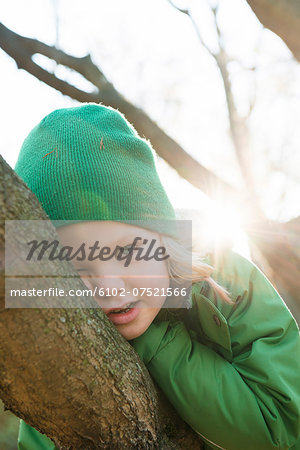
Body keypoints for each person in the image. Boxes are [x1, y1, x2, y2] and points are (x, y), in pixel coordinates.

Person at [14, 103, 300, 450]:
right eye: (77, 267)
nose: (109, 288)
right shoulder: (58, 340)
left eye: (127, 252)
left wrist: (157, 342)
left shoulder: (226, 280)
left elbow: (283, 428)